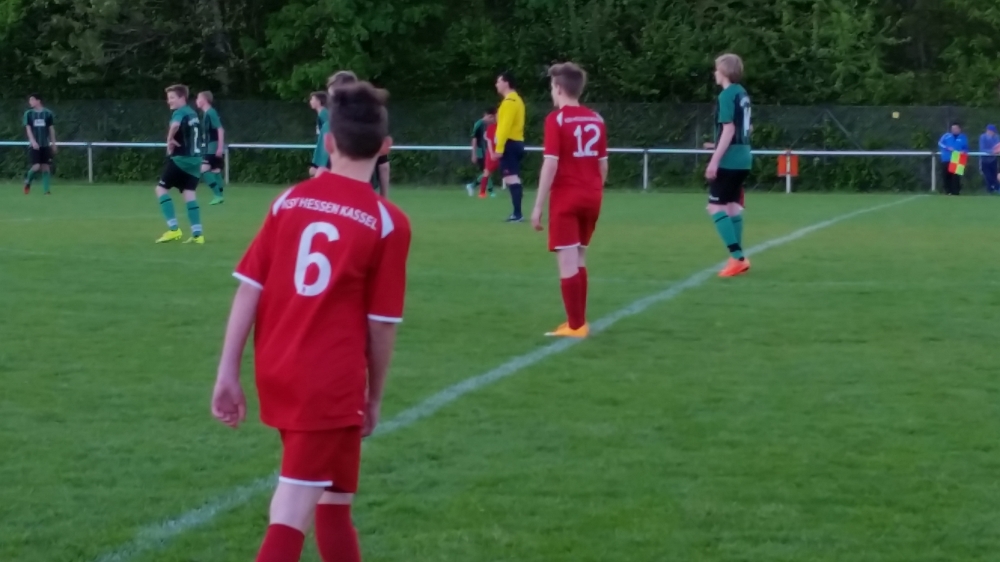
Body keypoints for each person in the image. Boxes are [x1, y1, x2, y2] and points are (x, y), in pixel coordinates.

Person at [211, 82, 411, 562]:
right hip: (327, 384)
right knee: (291, 509)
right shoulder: (387, 221)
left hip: (277, 368)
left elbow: (249, 288)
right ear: (385, 148)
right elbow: (382, 324)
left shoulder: (289, 200)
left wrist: (227, 371)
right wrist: (374, 397)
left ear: (329, 141)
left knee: (335, 502)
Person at [530, 62, 607, 339]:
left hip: (566, 197)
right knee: (580, 257)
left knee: (566, 262)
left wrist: (538, 206)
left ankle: (575, 326)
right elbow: (603, 164)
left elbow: (550, 164)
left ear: (559, 88)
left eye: (552, 87)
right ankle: (578, 321)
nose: (552, 92)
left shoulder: (556, 120)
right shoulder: (596, 119)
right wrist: (595, 190)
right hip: (592, 195)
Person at [705, 53, 752, 277]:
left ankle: (737, 258)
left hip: (730, 160)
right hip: (744, 157)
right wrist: (716, 145)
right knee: (732, 206)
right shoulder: (742, 93)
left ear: (724, 71)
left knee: (715, 207)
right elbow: (746, 128)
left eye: (716, 69)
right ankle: (737, 257)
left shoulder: (726, 95)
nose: (715, 73)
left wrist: (714, 160)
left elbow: (729, 129)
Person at [326, 71, 391, 198]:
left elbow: (383, 164)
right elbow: (383, 165)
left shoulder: (290, 200)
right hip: (365, 192)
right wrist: (384, 197)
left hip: (335, 192)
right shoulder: (373, 118)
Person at [155, 85, 205, 244]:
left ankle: (174, 229)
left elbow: (175, 125)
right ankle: (197, 234)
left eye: (172, 98)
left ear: (182, 98)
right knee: (189, 193)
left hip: (182, 159)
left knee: (161, 189)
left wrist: (169, 139)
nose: (169, 101)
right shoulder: (193, 113)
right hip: (196, 160)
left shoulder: (180, 112)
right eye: (168, 98)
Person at [493, 71, 526, 222]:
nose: (496, 85)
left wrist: (499, 148)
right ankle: (517, 213)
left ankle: (517, 214)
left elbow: (504, 127)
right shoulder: (517, 100)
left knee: (511, 178)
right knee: (513, 177)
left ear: (506, 83)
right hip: (517, 142)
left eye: (499, 81)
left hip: (510, 144)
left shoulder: (509, 102)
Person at [196, 91, 227, 205]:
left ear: (204, 100)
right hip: (211, 145)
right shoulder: (207, 113)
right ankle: (220, 196)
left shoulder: (210, 112)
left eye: (198, 98)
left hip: (213, 146)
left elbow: (220, 130)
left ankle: (217, 195)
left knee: (203, 169)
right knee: (215, 170)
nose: (196, 101)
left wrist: (219, 147)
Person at [23, 94, 56, 195]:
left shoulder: (48, 113)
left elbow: (51, 129)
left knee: (46, 167)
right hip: (34, 145)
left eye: (32, 100)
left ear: (38, 101)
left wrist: (53, 143)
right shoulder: (28, 114)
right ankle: (28, 181)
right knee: (36, 166)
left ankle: (46, 191)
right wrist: (33, 141)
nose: (30, 102)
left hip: (45, 144)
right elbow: (28, 129)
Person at [466, 108, 496, 197]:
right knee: (487, 171)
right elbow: (474, 139)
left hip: (488, 151)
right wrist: (474, 153)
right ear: (486, 115)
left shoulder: (491, 125)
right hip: (481, 152)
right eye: (491, 117)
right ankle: (490, 191)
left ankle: (472, 185)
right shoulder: (479, 124)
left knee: (487, 171)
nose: (492, 119)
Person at [938, 122, 968, 195]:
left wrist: (963, 151)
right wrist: (947, 148)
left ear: (959, 129)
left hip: (958, 158)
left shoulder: (963, 137)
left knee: (956, 176)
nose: (954, 130)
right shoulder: (946, 136)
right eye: (953, 128)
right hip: (946, 158)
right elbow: (940, 143)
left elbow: (966, 147)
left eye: (956, 128)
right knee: (946, 175)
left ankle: (956, 192)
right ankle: (947, 191)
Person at [309, 91, 330, 177]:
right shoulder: (321, 115)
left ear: (318, 101)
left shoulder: (324, 115)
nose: (310, 101)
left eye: (312, 99)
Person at [978, 124, 1000, 194]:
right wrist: (992, 151)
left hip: (993, 160)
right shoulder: (983, 137)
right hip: (984, 160)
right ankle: (990, 190)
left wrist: (995, 151)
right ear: (987, 130)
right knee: (988, 176)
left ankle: (995, 189)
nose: (992, 133)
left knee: (994, 176)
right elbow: (982, 149)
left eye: (993, 131)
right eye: (990, 131)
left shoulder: (996, 137)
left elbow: (998, 147)